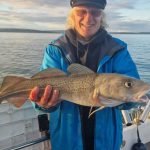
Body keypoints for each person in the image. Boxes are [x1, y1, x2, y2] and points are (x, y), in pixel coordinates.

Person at [29, 0, 140, 150]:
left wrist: (128, 98)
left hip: (107, 142)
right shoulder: (55, 49)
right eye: (82, 12)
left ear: (102, 17)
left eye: (95, 12)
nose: (88, 19)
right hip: (66, 142)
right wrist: (43, 104)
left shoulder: (117, 49)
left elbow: (133, 89)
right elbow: (40, 99)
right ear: (72, 15)